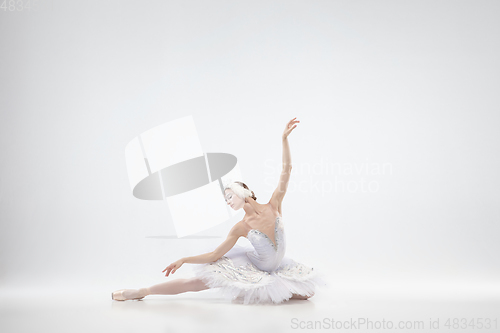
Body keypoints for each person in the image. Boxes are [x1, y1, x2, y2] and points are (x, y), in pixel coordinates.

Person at [112, 117, 327, 304]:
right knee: (196, 283)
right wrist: (184, 259)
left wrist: (284, 139)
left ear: (244, 192)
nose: (227, 202)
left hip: (277, 269)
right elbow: (215, 254)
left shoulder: (274, 204)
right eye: (226, 199)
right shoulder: (241, 227)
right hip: (253, 268)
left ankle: (249, 293)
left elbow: (286, 171)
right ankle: (143, 291)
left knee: (308, 292)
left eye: (229, 196)